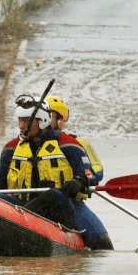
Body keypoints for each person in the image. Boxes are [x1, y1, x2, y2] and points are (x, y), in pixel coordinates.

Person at [0, 94, 113, 250]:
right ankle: (20, 221)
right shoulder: (11, 148)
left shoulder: (68, 144)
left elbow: (90, 175)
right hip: (21, 205)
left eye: (26, 121)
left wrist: (79, 181)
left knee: (102, 242)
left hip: (65, 204)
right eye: (19, 120)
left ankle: (21, 221)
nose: (21, 125)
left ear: (42, 121)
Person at [45, 95, 113, 250]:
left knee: (101, 240)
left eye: (49, 116)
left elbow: (96, 171)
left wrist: (81, 181)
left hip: (71, 201)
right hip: (38, 198)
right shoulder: (27, 143)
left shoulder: (77, 144)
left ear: (61, 120)